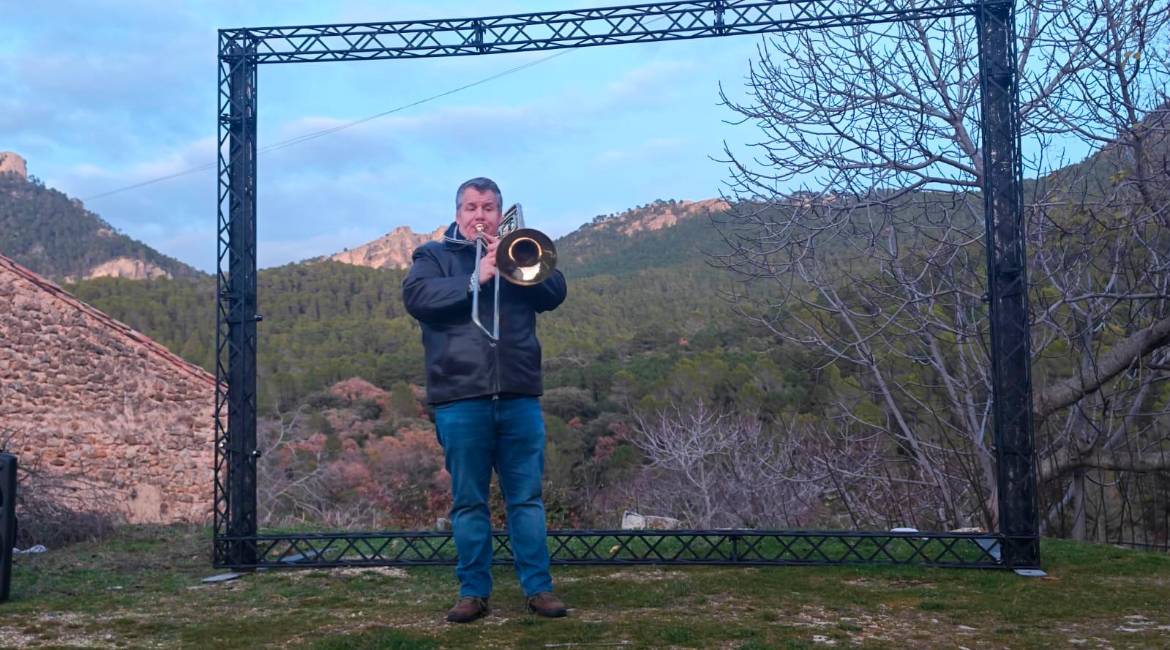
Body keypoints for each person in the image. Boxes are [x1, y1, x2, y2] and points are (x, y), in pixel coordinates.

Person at [402, 177, 569, 623]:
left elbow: (555, 294)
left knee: (527, 499)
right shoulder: (433, 256)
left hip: (517, 395)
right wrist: (476, 277)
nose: (481, 215)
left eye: (489, 207)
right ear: (458, 213)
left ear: (500, 213)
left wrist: (511, 258)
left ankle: (539, 589)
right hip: (460, 397)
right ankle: (473, 591)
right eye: (472, 207)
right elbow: (417, 298)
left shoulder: (520, 248)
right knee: (469, 502)